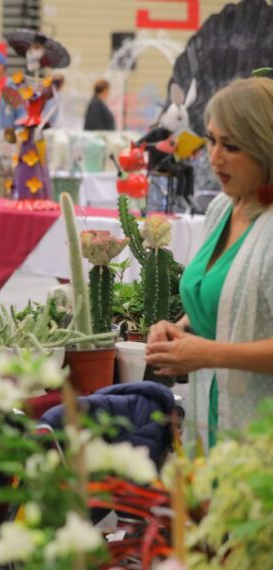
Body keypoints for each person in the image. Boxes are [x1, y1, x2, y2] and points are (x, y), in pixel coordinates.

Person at [146, 77, 273, 447]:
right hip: (215, 418)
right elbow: (221, 297)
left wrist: (209, 353)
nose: (214, 158)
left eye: (231, 146)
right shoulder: (222, 209)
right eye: (212, 140)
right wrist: (181, 328)